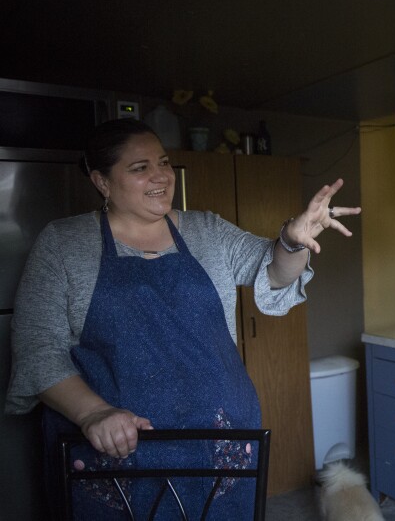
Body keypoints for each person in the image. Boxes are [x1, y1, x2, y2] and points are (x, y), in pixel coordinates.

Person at [4, 118, 361, 519]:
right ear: (102, 181)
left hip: (218, 440)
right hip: (118, 448)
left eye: (164, 163)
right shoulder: (64, 244)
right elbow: (37, 348)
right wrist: (93, 413)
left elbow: (273, 270)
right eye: (140, 168)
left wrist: (293, 242)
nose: (160, 177)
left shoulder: (206, 229)